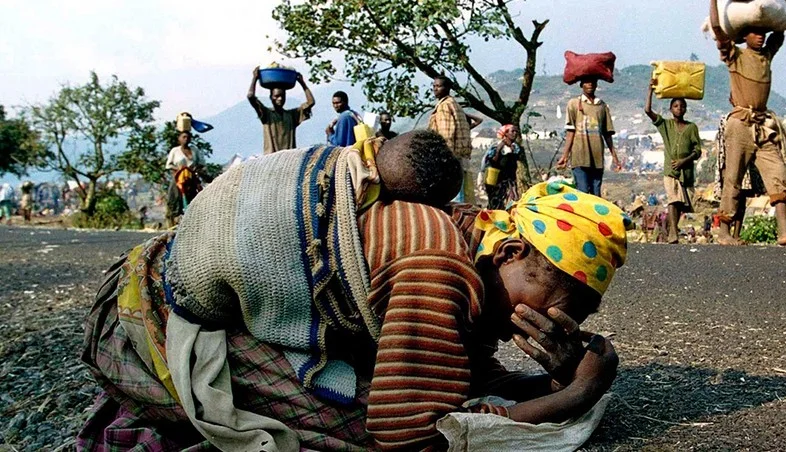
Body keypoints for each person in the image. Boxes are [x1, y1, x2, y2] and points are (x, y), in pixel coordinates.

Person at [78, 132, 628, 450]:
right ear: (509, 254)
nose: (561, 320)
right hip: (150, 318)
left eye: (579, 315)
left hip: (176, 291)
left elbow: (462, 375)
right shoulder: (440, 264)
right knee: (358, 429)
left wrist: (557, 376)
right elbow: (412, 437)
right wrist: (573, 399)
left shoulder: (473, 247)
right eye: (561, 299)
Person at [709, 0, 786, 246]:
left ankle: (784, 231)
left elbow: (780, 31)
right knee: (732, 177)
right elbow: (717, 29)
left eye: (763, 32)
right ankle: (724, 233)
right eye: (755, 32)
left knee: (777, 173)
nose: (761, 37)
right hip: (740, 123)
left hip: (764, 124)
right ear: (744, 35)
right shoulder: (735, 56)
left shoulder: (767, 56)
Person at [645, 84, 702, 244]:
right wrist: (650, 91)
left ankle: (671, 229)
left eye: (682, 106)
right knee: (673, 200)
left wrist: (684, 161)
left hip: (686, 172)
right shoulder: (666, 125)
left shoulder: (691, 128)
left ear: (685, 109)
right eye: (676, 106)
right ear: (671, 109)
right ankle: (674, 233)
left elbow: (698, 151)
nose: (679, 108)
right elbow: (648, 111)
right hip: (670, 171)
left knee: (681, 204)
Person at [557, 77, 622, 197]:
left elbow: (607, 133)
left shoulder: (601, 106)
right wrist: (565, 156)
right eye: (587, 82)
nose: (590, 84)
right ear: (581, 85)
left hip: (597, 158)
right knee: (582, 193)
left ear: (596, 84)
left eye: (593, 81)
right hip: (579, 156)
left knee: (596, 194)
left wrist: (615, 157)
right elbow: (570, 131)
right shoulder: (574, 104)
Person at [248, 66, 315, 154]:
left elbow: (311, 102)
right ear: (271, 98)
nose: (280, 99)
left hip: (289, 158)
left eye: (282, 96)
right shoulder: (267, 114)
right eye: (276, 96)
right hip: (271, 159)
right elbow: (250, 96)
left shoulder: (291, 115)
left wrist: (302, 83)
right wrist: (255, 78)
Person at [429, 75, 475, 204]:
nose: (435, 89)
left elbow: (446, 133)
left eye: (439, 86)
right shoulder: (455, 104)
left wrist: (445, 157)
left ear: (448, 88)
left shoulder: (444, 106)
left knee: (451, 194)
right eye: (434, 86)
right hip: (460, 154)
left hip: (450, 154)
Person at [165, 130, 205, 227]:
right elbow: (169, 165)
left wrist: (194, 169)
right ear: (179, 139)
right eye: (184, 137)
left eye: (188, 137)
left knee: (196, 197)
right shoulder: (175, 151)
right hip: (179, 178)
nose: (186, 139)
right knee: (174, 197)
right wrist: (179, 169)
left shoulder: (194, 150)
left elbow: (201, 163)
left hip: (191, 178)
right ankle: (175, 218)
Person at [483, 124, 525, 210]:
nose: (515, 133)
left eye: (516, 131)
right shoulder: (497, 146)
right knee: (496, 202)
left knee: (512, 201)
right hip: (497, 181)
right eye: (512, 131)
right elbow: (492, 160)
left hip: (510, 180)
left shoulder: (515, 147)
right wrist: (498, 149)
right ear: (505, 133)